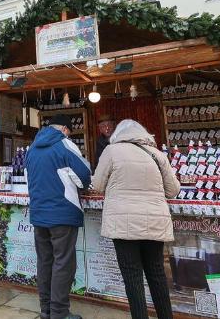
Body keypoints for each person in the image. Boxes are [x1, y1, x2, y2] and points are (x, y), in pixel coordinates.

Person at [91, 120, 181, 319]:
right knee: (157, 274)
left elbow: (97, 185)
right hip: (155, 222)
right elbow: (173, 190)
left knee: (133, 279)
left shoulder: (111, 151)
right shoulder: (157, 154)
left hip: (123, 224)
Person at [26, 114, 92, 319]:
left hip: (39, 213)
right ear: (65, 129)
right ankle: (60, 313)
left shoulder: (32, 148)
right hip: (63, 212)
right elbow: (84, 177)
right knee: (63, 263)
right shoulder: (65, 144)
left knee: (45, 261)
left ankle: (45, 310)